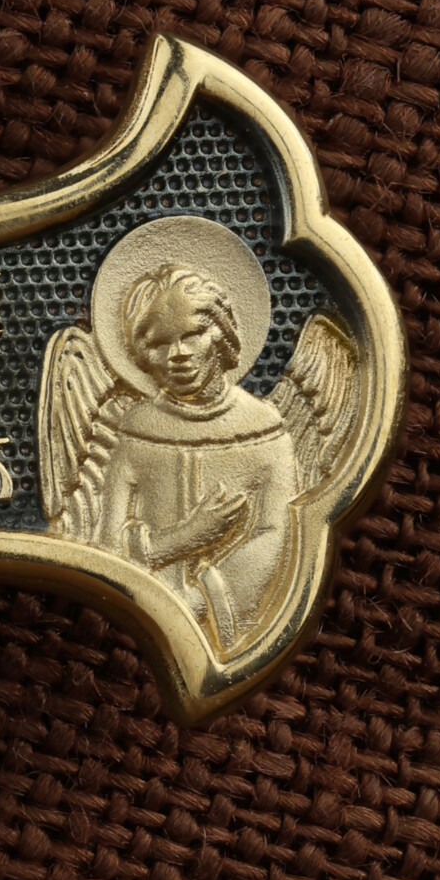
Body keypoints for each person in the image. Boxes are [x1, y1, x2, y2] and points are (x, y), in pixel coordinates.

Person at [83, 262, 297, 649]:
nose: (177, 354)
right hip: (127, 631)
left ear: (220, 333)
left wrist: (197, 602)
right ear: (141, 352)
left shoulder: (263, 429)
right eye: (159, 343)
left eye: (193, 334)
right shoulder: (136, 430)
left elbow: (274, 536)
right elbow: (107, 548)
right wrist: (189, 537)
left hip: (222, 621)